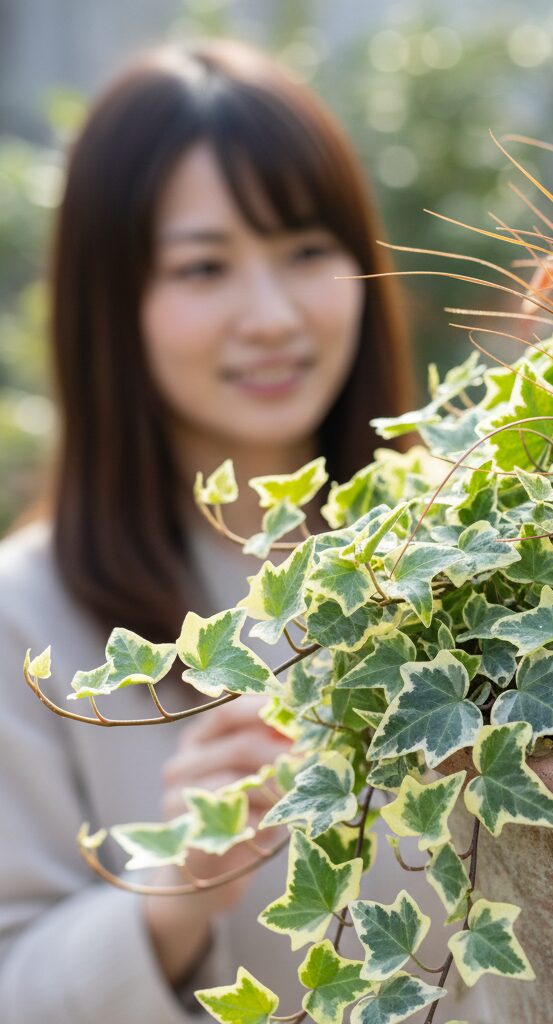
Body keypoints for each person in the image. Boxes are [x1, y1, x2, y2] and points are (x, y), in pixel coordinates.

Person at [0, 39, 479, 1021]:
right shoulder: (25, 621)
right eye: (205, 266)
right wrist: (176, 889)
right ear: (111, 303)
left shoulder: (478, 551)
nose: (272, 317)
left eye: (306, 252)